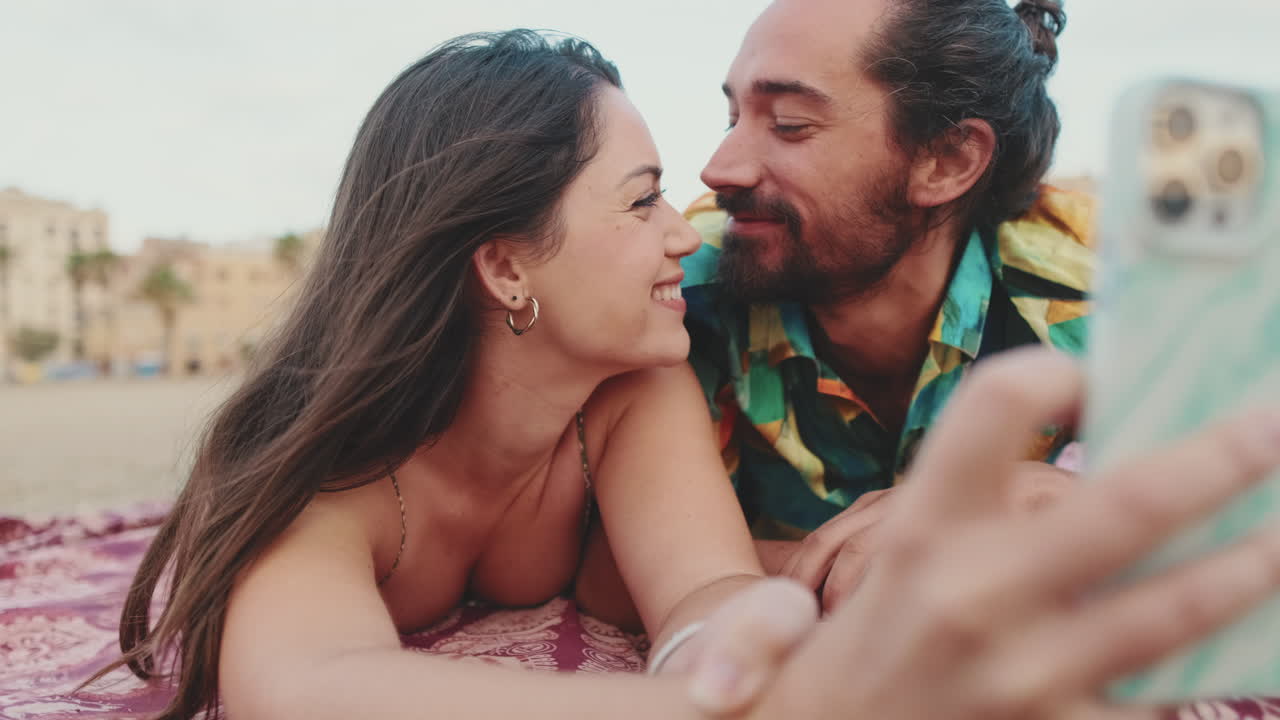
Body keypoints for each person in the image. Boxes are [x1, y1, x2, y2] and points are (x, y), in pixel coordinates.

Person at [87, 29, 1280, 720]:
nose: (698, 203)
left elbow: (702, 589)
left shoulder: (627, 380)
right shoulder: (333, 472)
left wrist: (754, 648)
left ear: (948, 162)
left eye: (789, 123)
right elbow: (309, 689)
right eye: (646, 196)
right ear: (504, 267)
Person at [679, 0, 1096, 611]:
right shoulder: (684, 286)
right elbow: (605, 558)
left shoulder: (1100, 286)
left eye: (790, 123)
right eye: (733, 117)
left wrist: (1066, 501)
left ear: (948, 160)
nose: (718, 170)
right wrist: (891, 564)